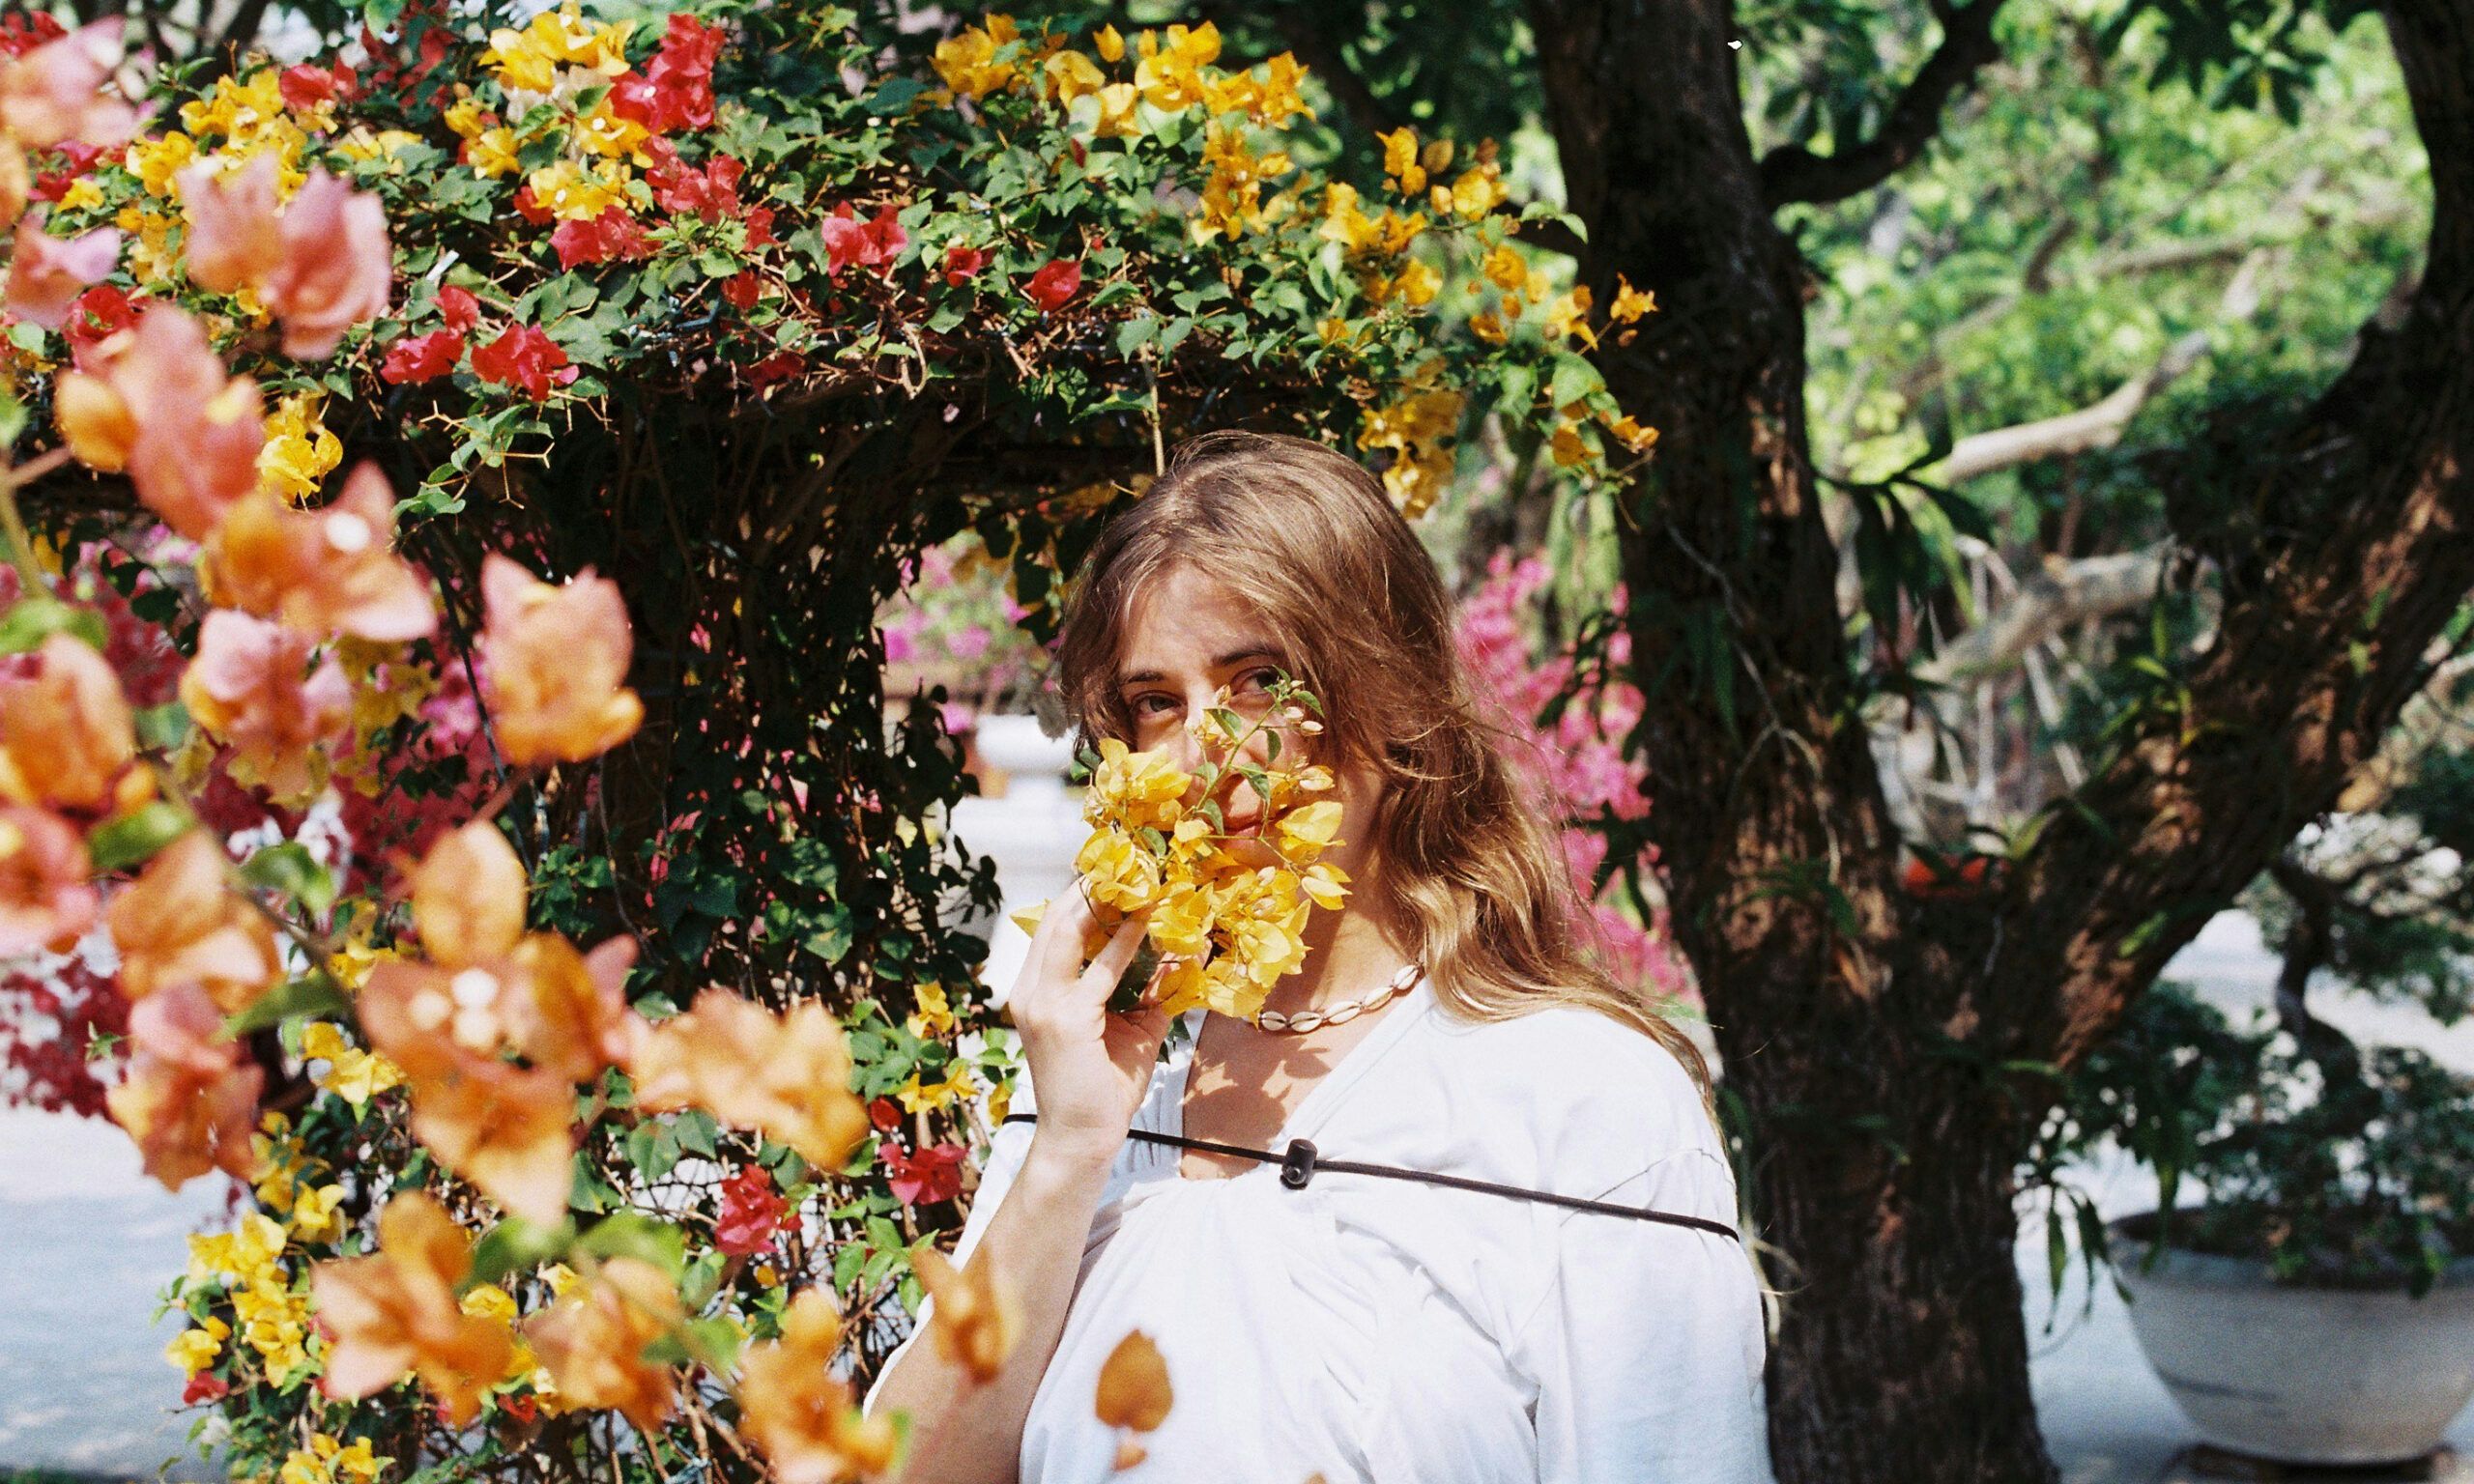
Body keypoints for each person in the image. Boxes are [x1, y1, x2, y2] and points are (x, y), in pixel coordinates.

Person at [863, 431, 1774, 1483]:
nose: (1206, 748)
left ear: (1396, 694)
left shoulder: (1581, 1099)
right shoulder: (1102, 1070)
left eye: (1260, 680)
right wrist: (1066, 1152)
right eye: (1157, 702)